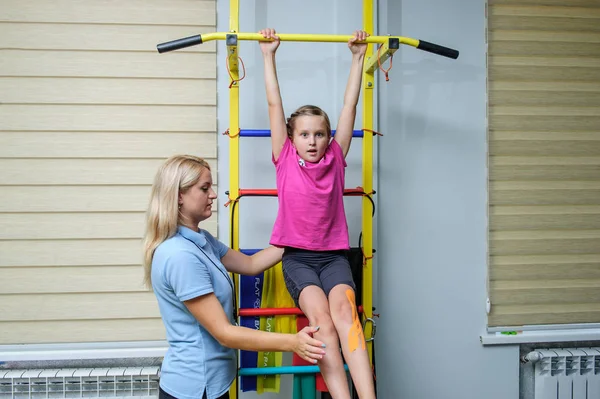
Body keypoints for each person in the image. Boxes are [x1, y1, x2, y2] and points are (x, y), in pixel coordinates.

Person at [142, 155, 327, 399]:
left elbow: (250, 264)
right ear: (179, 196)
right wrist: (293, 342)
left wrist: (299, 239)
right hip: (195, 388)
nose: (214, 195)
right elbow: (224, 333)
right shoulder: (180, 256)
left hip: (213, 383)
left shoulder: (201, 240)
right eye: (205, 188)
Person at [258, 28, 376, 399]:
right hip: (298, 261)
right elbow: (275, 105)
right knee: (322, 323)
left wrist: (357, 59)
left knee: (346, 316)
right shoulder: (285, 161)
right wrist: (268, 56)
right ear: (292, 138)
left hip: (333, 258)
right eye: (305, 134)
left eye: (320, 134)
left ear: (329, 138)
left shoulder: (336, 159)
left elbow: (348, 108)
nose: (313, 141)